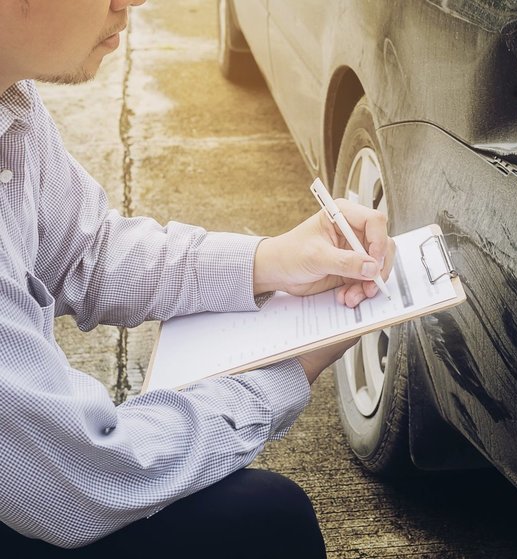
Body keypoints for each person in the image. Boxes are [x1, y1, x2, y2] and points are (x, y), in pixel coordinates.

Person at [0, 0, 395, 556]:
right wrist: (283, 372)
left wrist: (271, 261)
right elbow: (83, 479)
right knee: (267, 522)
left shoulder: (10, 100)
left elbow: (87, 251)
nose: (131, 1)